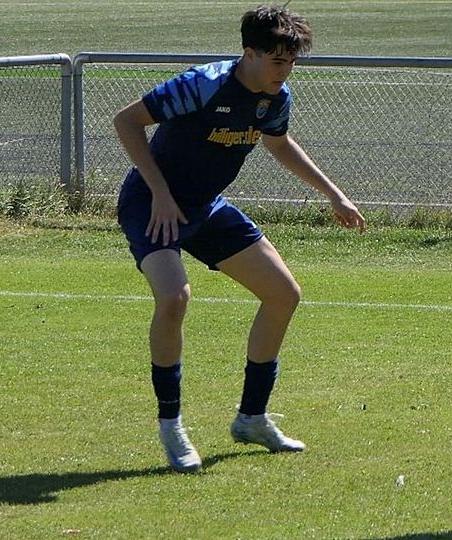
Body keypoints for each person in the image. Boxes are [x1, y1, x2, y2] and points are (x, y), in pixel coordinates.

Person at [113, 4, 365, 473]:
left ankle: (252, 418)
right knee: (174, 299)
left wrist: (335, 194)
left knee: (283, 293)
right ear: (249, 53)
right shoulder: (202, 84)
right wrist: (161, 193)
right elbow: (126, 122)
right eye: (276, 61)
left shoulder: (275, 97)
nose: (284, 72)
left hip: (205, 206)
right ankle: (172, 426)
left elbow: (279, 144)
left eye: (291, 62)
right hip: (152, 203)